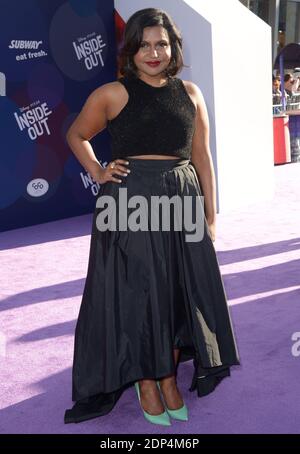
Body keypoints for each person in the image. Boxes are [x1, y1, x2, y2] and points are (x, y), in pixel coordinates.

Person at [64, 7, 240, 426]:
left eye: (161, 43)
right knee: (140, 294)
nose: (154, 52)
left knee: (178, 293)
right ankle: (149, 380)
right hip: (129, 203)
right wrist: (97, 170)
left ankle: (170, 375)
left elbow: (202, 159)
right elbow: (76, 134)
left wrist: (210, 217)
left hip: (181, 202)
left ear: (173, 46)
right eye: (144, 45)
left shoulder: (191, 94)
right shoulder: (113, 94)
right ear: (131, 51)